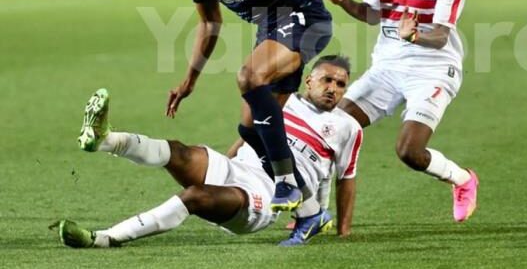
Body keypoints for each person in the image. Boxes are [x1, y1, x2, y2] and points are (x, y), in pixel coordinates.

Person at [155, 0, 412, 219]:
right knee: (251, 130)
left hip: (305, 16)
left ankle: (286, 182)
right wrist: (190, 79)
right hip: (270, 28)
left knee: (249, 77)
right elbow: (210, 23)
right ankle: (311, 209)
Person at [52, 55, 362, 248]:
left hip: (269, 195)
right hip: (238, 168)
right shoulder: (283, 101)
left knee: (196, 196)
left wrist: (342, 230)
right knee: (179, 152)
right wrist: (226, 161)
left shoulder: (348, 127)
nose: (333, 88)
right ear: (309, 81)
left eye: (340, 84)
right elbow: (251, 135)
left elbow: (344, 178)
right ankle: (105, 140)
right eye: (327, 80)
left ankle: (106, 238)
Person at [312, 0, 479, 223]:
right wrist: (344, 2)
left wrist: (414, 37)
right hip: (387, 69)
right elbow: (371, 15)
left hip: (432, 70)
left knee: (409, 152)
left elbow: (442, 35)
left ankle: (463, 180)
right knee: (328, 129)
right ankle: (316, 213)